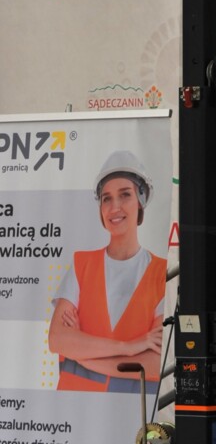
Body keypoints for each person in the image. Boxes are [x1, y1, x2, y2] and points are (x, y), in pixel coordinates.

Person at [48, 150, 166, 395]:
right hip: (76, 405)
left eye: (125, 195)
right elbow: (58, 339)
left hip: (133, 408)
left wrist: (82, 354)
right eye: (106, 198)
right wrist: (129, 347)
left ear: (140, 200)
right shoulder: (82, 264)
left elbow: (155, 361)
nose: (114, 207)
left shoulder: (161, 273)